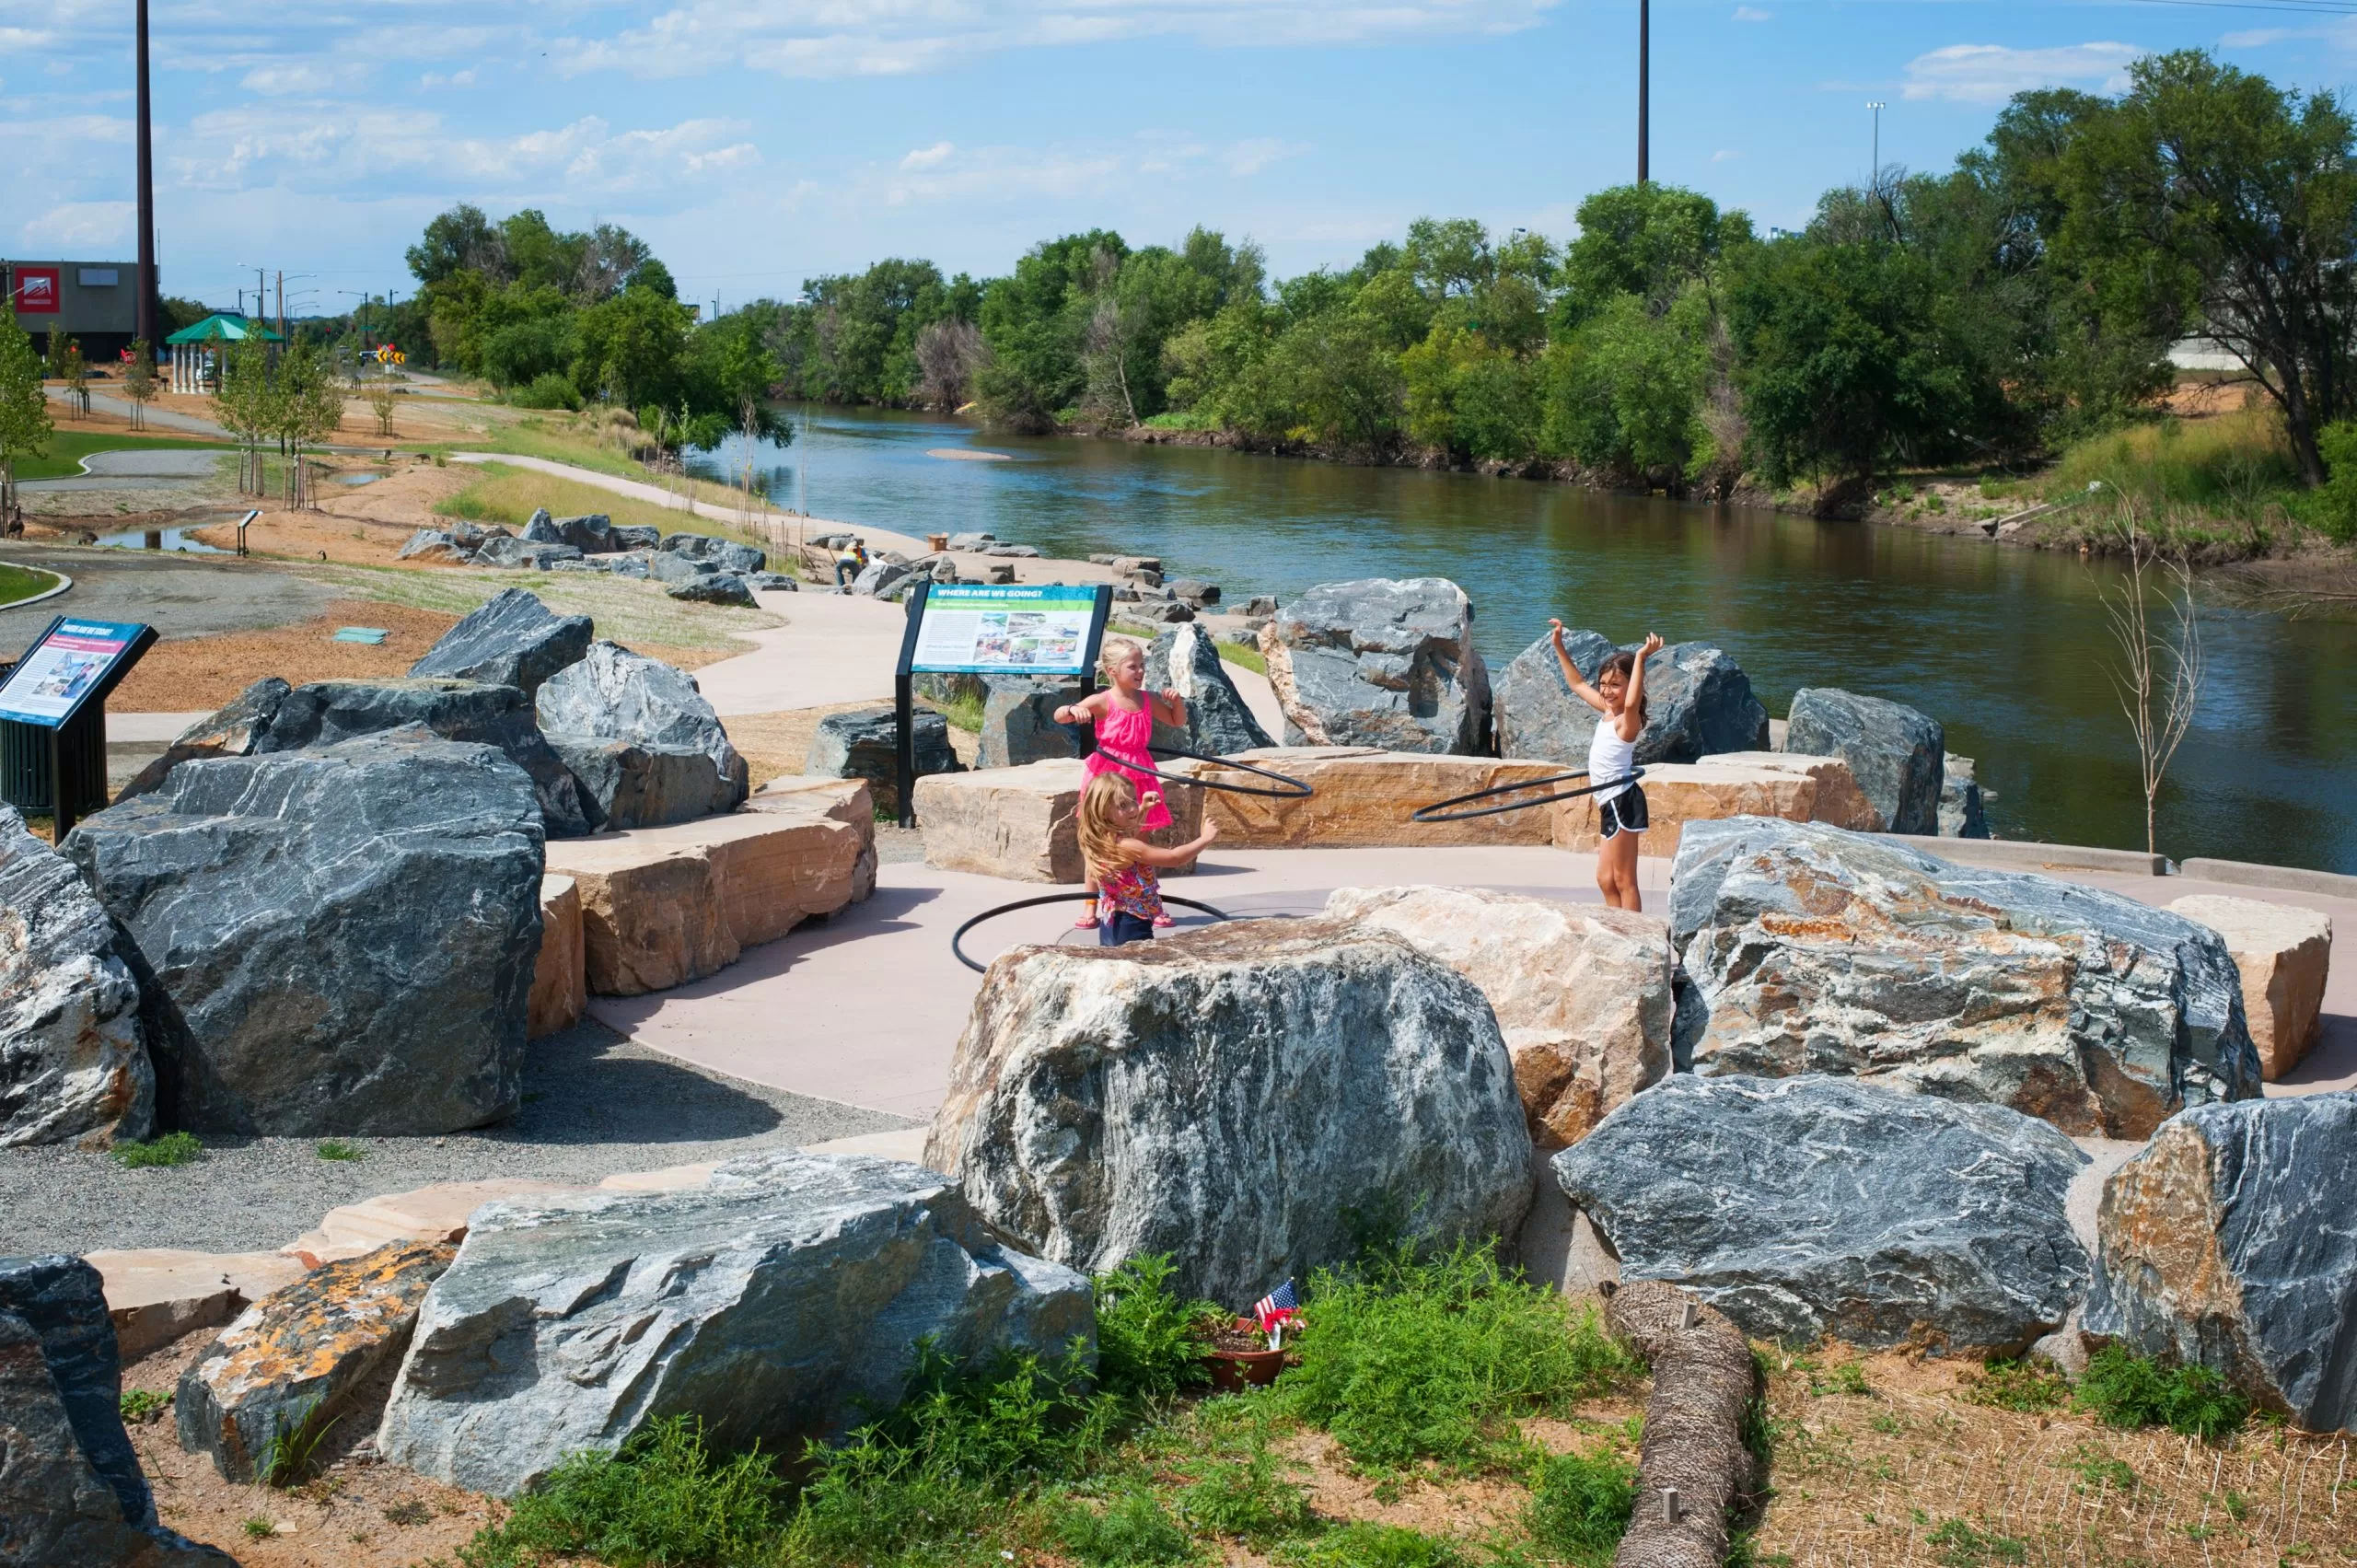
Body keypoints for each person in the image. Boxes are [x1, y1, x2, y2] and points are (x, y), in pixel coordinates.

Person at [1054, 638, 1190, 928]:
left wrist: (1177, 702)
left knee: (1139, 845)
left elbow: (1176, 722)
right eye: (1133, 666)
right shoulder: (1103, 701)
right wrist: (1071, 709)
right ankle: (1091, 907)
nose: (1140, 671)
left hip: (1139, 774)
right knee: (1100, 843)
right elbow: (1061, 716)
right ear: (1112, 670)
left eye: (1142, 666)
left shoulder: (1149, 698)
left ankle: (1148, 904)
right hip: (1108, 778)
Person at [1549, 621, 1663, 912]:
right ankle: (1617, 926)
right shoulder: (1607, 711)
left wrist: (1640, 658)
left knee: (1624, 880)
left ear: (1628, 687)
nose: (1608, 691)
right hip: (1607, 801)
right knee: (1604, 879)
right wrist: (1559, 646)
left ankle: (1635, 937)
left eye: (1616, 685)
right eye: (1604, 684)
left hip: (1622, 799)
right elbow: (1575, 683)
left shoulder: (1628, 721)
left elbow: (1632, 702)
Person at [1077, 772, 1219, 947]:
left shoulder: (1101, 840)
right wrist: (1204, 839)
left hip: (1111, 923)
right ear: (1103, 811)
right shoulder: (1127, 846)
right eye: (1123, 805)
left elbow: (1132, 834)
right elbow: (1174, 858)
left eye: (1133, 800)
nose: (1132, 808)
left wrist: (1144, 809)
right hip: (1132, 925)